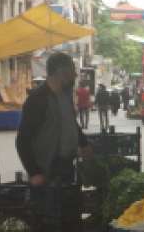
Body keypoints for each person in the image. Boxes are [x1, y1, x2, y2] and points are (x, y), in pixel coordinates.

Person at [16, 52, 90, 187]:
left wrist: (84, 144)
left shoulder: (65, 95)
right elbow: (22, 140)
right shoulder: (37, 99)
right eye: (72, 72)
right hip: (46, 171)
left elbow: (71, 123)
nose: (75, 76)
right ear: (61, 73)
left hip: (66, 166)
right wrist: (34, 172)